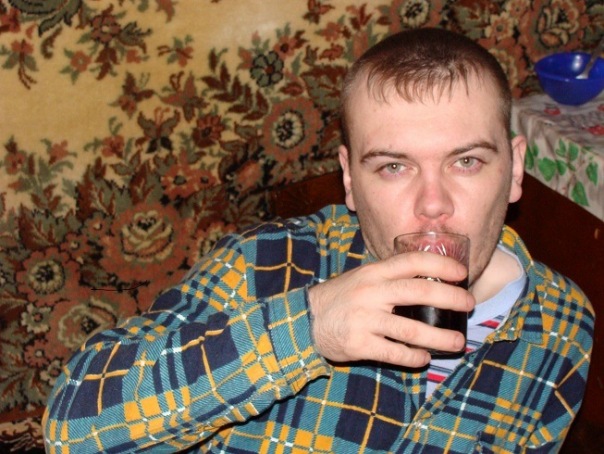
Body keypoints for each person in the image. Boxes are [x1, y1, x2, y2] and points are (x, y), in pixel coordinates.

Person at [43, 28, 594, 453]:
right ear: (350, 178)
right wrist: (306, 330)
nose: (433, 204)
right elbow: (70, 430)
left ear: (515, 169)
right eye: (394, 167)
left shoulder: (562, 326)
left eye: (466, 161)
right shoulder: (263, 263)